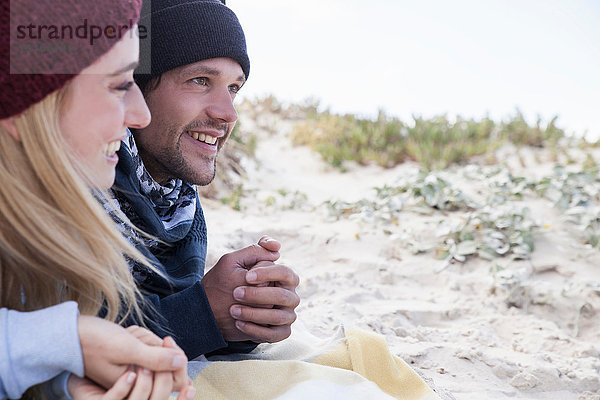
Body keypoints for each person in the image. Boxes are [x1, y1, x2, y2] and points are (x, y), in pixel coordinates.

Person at [0, 0, 193, 398]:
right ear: (25, 107)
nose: (141, 115)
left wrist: (67, 382)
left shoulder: (48, 224)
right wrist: (63, 339)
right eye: (120, 85)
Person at [112, 0, 301, 360]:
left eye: (233, 88)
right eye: (200, 81)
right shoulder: (76, 183)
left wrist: (242, 314)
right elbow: (59, 338)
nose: (227, 113)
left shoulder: (178, 202)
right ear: (136, 87)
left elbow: (162, 310)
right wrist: (201, 314)